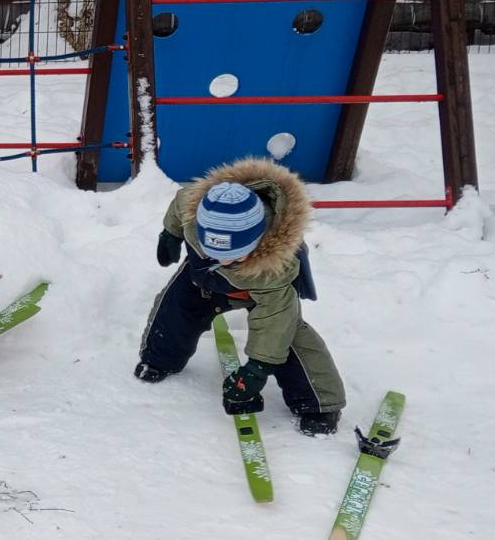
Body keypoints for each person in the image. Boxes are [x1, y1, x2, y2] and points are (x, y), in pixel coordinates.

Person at [135, 157, 345, 435]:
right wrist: (170, 235)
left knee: (287, 335)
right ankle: (160, 358)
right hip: (203, 280)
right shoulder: (194, 208)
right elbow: (179, 203)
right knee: (174, 308)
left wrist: (257, 368)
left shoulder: (276, 266)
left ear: (258, 239)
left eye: (233, 255)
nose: (222, 260)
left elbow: (273, 323)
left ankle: (319, 402)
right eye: (215, 252)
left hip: (260, 291)